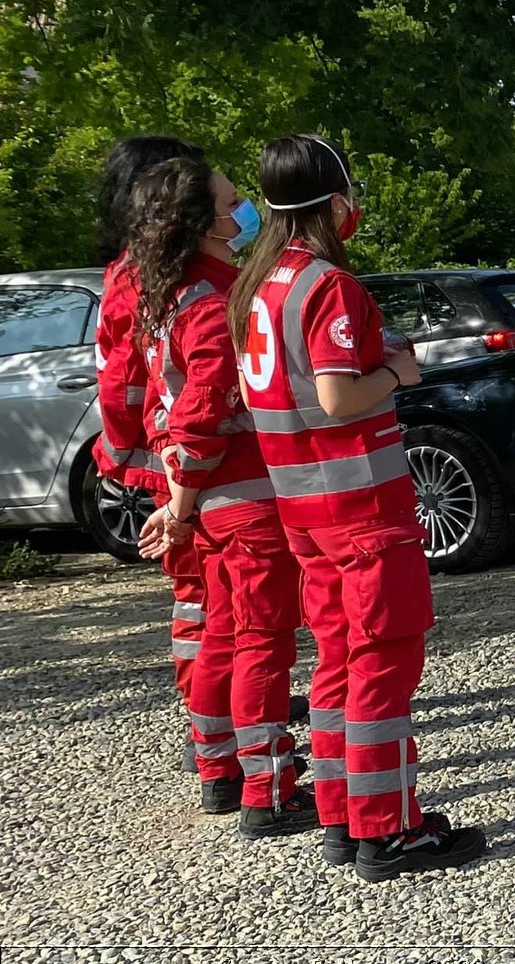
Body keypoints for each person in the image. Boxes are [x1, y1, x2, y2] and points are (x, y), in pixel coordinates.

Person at [228, 134, 485, 880]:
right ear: (334, 202)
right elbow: (341, 396)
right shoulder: (328, 287)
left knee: (339, 662)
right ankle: (386, 831)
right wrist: (398, 373)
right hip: (361, 508)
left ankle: (343, 814)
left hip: (303, 508)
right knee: (382, 666)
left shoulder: (259, 286)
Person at [125, 155, 318, 835]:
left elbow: (161, 406)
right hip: (244, 491)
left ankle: (220, 768)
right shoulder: (215, 297)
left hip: (210, 497)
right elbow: (204, 408)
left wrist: (179, 497)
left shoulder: (168, 291)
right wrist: (181, 503)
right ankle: (271, 787)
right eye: (233, 202)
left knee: (224, 633)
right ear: (200, 220)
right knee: (263, 642)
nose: (245, 212)